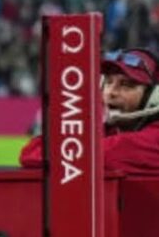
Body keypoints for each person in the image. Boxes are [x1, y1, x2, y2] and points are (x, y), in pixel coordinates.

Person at [20, 48, 159, 175]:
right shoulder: (108, 132)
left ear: (154, 95)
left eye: (126, 85)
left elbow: (111, 153)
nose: (111, 93)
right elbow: (31, 151)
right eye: (108, 82)